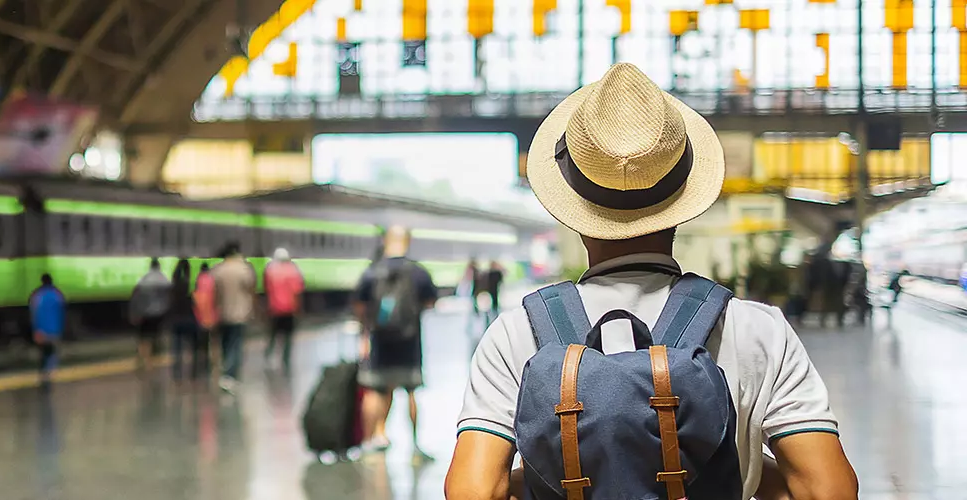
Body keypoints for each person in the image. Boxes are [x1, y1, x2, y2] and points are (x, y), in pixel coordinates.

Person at [445, 63, 856, 500]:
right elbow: (827, 489)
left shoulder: (517, 333)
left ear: (576, 210)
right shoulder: (758, 329)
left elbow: (472, 490)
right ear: (682, 200)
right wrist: (743, 467)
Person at [354, 224, 437, 462]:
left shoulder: (371, 272)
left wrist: (365, 335)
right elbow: (431, 301)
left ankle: (371, 439)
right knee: (411, 393)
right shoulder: (418, 272)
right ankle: (415, 444)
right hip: (409, 342)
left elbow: (360, 307)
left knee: (376, 390)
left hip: (380, 341)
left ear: (385, 241)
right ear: (408, 241)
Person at [210, 241, 257, 393]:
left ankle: (226, 370)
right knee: (236, 345)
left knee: (225, 343)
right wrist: (253, 309)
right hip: (240, 313)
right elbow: (251, 290)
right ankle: (230, 375)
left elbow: (215, 293)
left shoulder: (218, 270)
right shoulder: (244, 269)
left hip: (223, 312)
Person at [263, 247, 306, 369]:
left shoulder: (270, 270)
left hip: (274, 309)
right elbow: (297, 292)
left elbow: (267, 290)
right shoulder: (293, 271)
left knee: (273, 335)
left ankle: (268, 356)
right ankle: (285, 360)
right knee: (288, 336)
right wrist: (299, 308)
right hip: (289, 309)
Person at [128, 258, 171, 370]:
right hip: (159, 314)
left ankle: (143, 360)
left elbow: (136, 298)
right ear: (159, 266)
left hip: (145, 313)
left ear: (150, 266)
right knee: (154, 337)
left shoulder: (144, 280)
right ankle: (149, 361)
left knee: (143, 337)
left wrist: (134, 313)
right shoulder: (164, 279)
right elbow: (169, 297)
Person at [28, 273, 65, 383]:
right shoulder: (57, 295)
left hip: (42, 330)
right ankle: (52, 372)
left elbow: (34, 314)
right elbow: (61, 313)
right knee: (53, 351)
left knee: (43, 352)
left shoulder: (37, 296)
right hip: (54, 329)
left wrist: (36, 330)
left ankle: (43, 373)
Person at [167, 258, 200, 379]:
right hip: (189, 319)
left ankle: (177, 373)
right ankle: (194, 372)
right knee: (194, 348)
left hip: (176, 320)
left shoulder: (173, 288)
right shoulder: (190, 286)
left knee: (177, 349)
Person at [193, 262, 217, 374]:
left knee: (200, 343)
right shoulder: (212, 280)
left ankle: (199, 365)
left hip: (200, 316)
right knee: (211, 341)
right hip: (211, 315)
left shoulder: (198, 280)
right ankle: (210, 364)